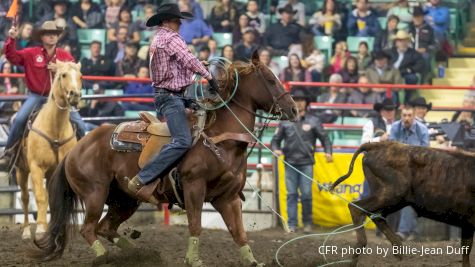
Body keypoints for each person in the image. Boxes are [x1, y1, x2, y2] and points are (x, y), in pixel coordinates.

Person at [127, 3, 220, 203]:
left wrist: (197, 66)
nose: (179, 23)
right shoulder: (170, 37)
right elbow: (188, 59)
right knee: (183, 141)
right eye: (176, 19)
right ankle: (142, 178)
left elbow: (179, 65)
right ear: (166, 21)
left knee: (207, 117)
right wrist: (209, 77)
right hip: (171, 97)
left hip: (175, 94)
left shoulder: (159, 38)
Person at [1, 21, 87, 168]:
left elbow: (75, 72)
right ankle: (8, 152)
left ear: (58, 37)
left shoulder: (64, 55)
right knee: (19, 119)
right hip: (37, 96)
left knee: (80, 123)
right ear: (42, 37)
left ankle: (83, 155)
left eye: (54, 34)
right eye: (48, 34)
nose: (52, 37)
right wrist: (12, 40)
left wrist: (60, 68)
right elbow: (12, 57)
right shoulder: (31, 53)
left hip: (60, 99)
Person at [271, 89, 333, 233]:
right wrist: (276, 149)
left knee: (306, 194)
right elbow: (275, 140)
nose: (298, 103)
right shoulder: (285, 120)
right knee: (291, 194)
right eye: (296, 100)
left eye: (301, 100)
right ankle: (292, 224)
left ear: (306, 103)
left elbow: (325, 139)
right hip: (290, 163)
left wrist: (328, 152)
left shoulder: (314, 120)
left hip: (306, 163)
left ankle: (307, 223)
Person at [389, 105, 429, 241]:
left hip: (417, 172)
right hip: (398, 170)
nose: (406, 118)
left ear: (414, 116)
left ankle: (404, 231)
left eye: (409, 116)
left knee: (408, 195)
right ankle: (411, 231)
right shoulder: (395, 127)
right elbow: (391, 151)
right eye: (404, 115)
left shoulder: (422, 130)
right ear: (401, 116)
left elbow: (425, 156)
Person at [388, 30, 425, 102]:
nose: (402, 43)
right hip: (391, 74)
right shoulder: (389, 52)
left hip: (404, 73)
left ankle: (407, 101)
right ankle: (395, 103)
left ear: (408, 42)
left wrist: (410, 70)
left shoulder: (413, 53)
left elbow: (421, 64)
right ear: (396, 43)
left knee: (412, 78)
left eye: (404, 41)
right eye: (400, 41)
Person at [409, 6, 437, 79]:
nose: (417, 19)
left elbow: (434, 45)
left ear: (423, 17)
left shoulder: (429, 29)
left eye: (419, 17)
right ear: (412, 18)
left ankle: (424, 79)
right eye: (415, 17)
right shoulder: (409, 29)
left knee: (425, 57)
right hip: (409, 52)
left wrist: (426, 49)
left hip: (423, 52)